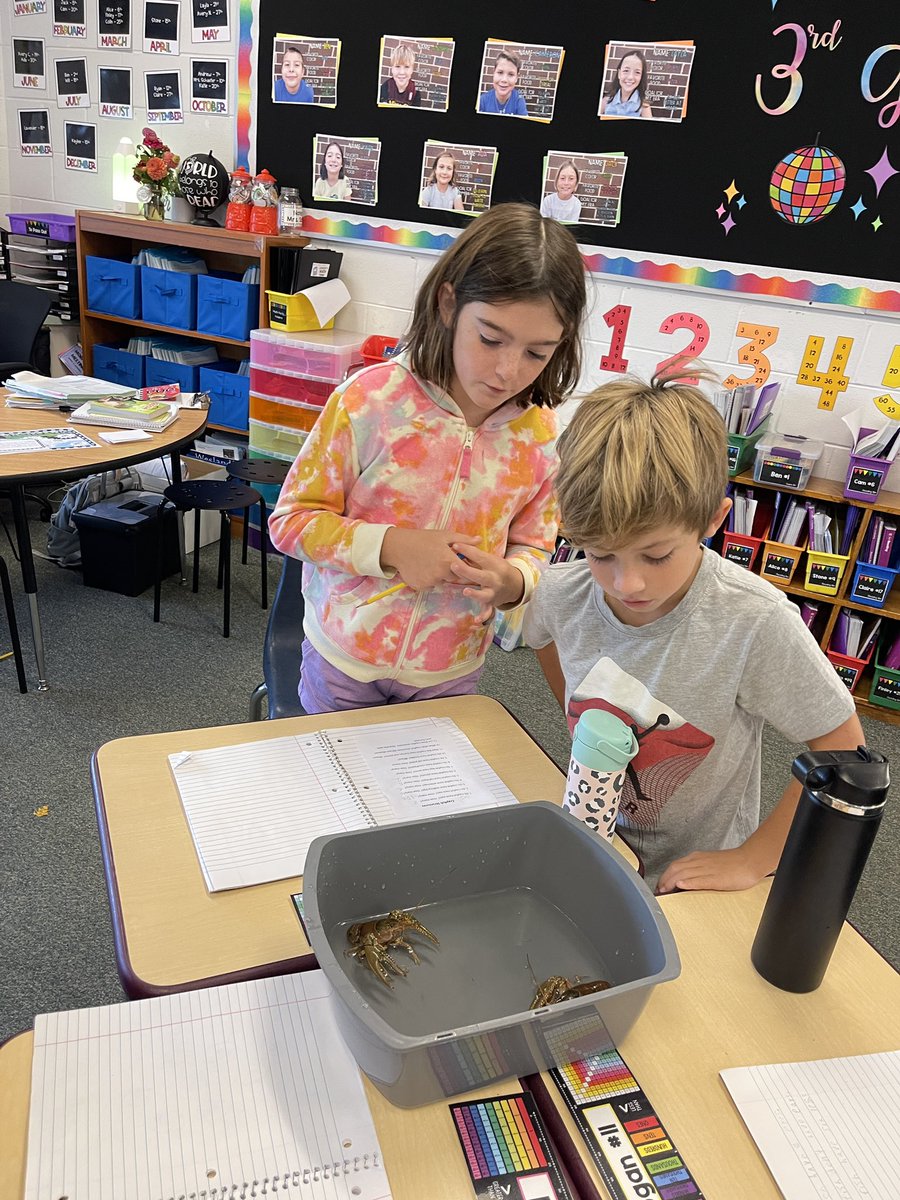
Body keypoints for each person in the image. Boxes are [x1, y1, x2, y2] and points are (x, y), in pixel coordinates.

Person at [523, 372, 863, 895]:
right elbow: (548, 642)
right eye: (601, 554)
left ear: (712, 520)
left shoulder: (755, 620)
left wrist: (753, 859)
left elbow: (843, 747)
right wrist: (580, 713)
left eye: (657, 555)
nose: (628, 582)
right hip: (597, 836)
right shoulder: (558, 592)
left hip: (703, 869)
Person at [269, 203, 587, 714]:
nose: (507, 371)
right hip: (345, 657)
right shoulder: (370, 401)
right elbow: (290, 523)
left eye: (537, 352)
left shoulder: (540, 437)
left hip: (450, 670)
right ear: (447, 305)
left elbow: (535, 545)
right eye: (490, 338)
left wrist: (514, 582)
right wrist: (393, 547)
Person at [600, 47, 651, 118]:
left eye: (637, 72)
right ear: (619, 74)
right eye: (626, 71)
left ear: (641, 77)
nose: (630, 77)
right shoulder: (606, 100)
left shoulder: (644, 106)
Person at [478, 49, 528, 116]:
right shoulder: (482, 100)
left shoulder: (519, 100)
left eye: (511, 74)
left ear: (517, 77)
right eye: (500, 72)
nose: (504, 80)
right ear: (494, 73)